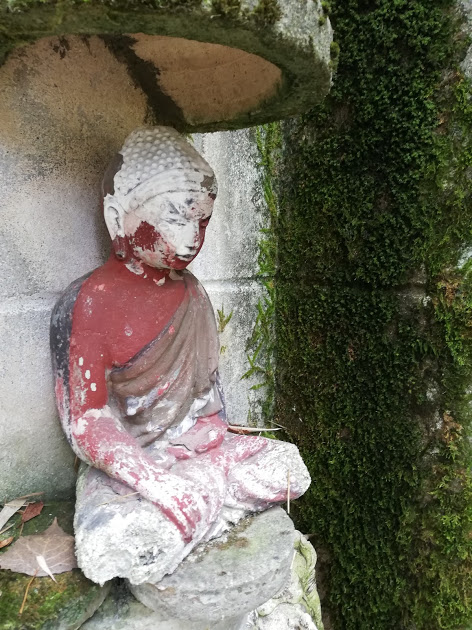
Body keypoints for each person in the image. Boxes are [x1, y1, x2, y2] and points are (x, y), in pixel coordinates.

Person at [50, 127, 310, 579]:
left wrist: (209, 454)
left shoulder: (194, 294)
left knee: (288, 467)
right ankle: (197, 511)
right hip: (131, 468)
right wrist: (155, 481)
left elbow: (209, 406)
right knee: (112, 539)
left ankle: (195, 509)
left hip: (196, 455)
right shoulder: (88, 302)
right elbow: (86, 421)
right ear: (117, 217)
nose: (192, 237)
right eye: (176, 218)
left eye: (202, 222)